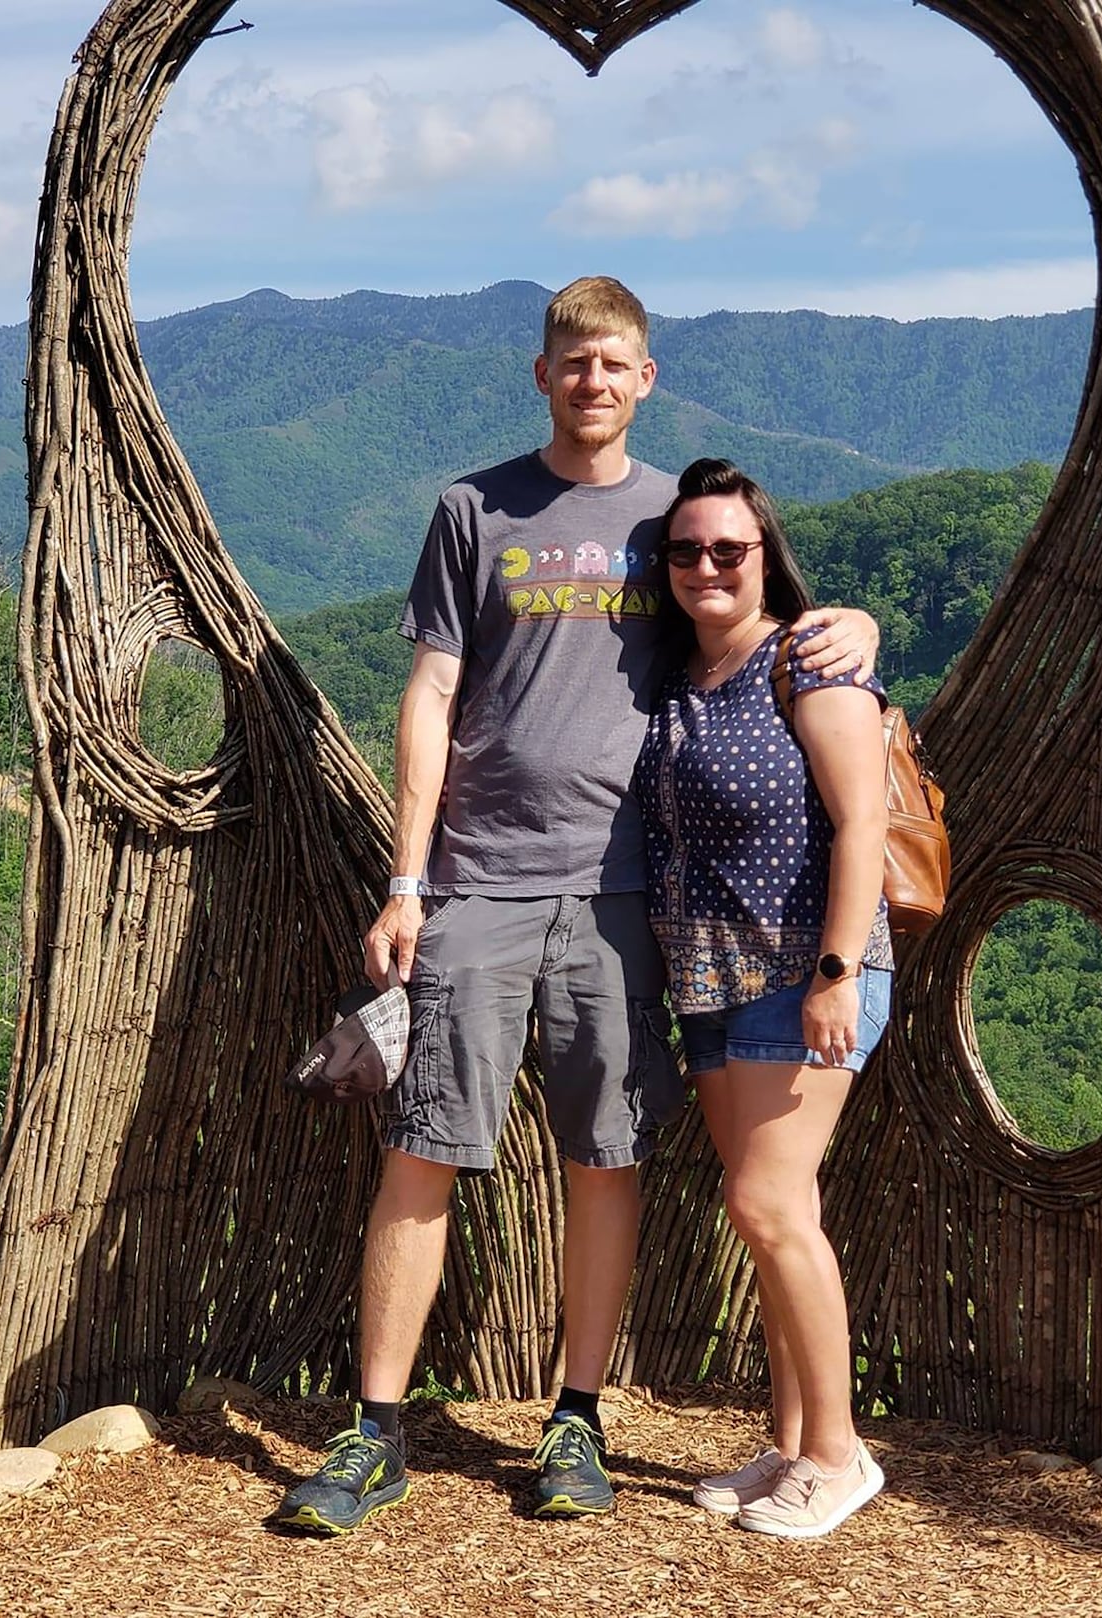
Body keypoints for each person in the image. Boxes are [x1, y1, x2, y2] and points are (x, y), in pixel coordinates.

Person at [275, 278, 879, 1534]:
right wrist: (407, 877)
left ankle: (575, 1416)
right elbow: (431, 693)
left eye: (614, 364)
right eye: (572, 363)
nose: (592, 382)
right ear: (540, 373)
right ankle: (374, 1428)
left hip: (628, 897)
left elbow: (769, 612)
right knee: (424, 1144)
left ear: (644, 377)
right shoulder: (473, 507)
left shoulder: (679, 515)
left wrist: (854, 624)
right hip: (480, 878)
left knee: (603, 1156)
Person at [634, 458, 895, 1540]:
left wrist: (837, 972)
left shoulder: (812, 661)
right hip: (707, 983)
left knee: (768, 1206)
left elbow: (865, 823)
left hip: (805, 976)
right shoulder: (675, 676)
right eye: (686, 550)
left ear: (763, 556)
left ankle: (839, 1456)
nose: (706, 566)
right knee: (773, 1216)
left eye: (728, 549)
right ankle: (790, 1442)